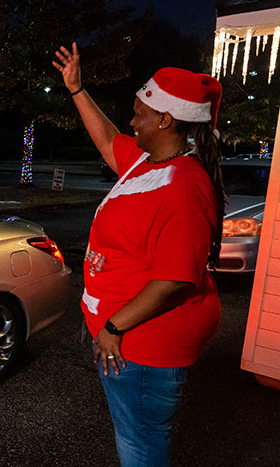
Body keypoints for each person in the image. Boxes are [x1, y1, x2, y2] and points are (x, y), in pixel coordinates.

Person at [53, 43, 224, 466]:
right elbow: (110, 142)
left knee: (141, 446)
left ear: (165, 119)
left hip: (143, 345)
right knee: (135, 435)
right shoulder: (148, 162)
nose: (131, 121)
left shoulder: (184, 187)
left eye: (138, 113)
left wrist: (113, 325)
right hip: (129, 337)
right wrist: (76, 89)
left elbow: (176, 278)